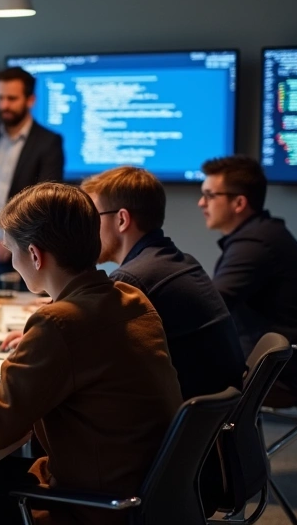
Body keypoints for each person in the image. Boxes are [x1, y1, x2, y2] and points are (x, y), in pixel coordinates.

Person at [0, 182, 182, 525]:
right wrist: (1, 396)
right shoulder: (131, 298)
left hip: (100, 507)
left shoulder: (57, 323)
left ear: (34, 255)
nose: (12, 262)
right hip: (148, 491)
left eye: (11, 251)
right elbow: (84, 391)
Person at [73, 166, 245, 400]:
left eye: (93, 219)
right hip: (207, 418)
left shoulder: (132, 281)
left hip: (178, 420)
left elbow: (87, 356)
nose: (86, 230)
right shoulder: (175, 261)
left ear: (122, 219)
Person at [200, 155, 297, 408]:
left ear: (239, 203)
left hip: (281, 376)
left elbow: (210, 305)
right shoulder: (261, 235)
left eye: (210, 195)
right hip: (279, 366)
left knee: (176, 377)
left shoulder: (255, 244)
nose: (201, 203)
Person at [0, 67, 64, 289]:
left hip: (25, 248)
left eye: (12, 98)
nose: (4, 106)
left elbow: (45, 202)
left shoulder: (48, 142)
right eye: (0, 98)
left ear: (30, 100)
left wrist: (11, 239)